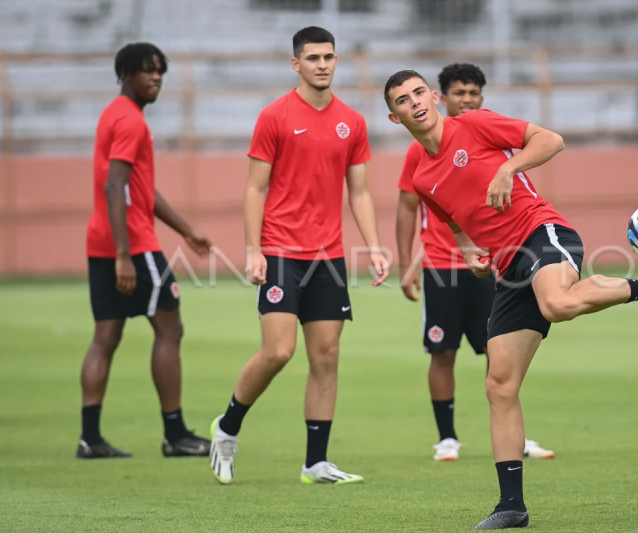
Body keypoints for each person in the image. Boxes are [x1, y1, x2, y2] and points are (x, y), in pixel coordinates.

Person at [384, 70, 638, 530]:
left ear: (433, 97)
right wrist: (472, 252)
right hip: (507, 267)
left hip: (542, 232)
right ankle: (511, 506)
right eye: (402, 100)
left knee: (556, 303)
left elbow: (550, 140)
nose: (413, 102)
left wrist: (508, 167)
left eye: (418, 92)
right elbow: (455, 221)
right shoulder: (420, 174)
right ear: (394, 117)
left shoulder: (474, 124)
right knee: (499, 385)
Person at [208, 27, 389, 486]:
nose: (323, 64)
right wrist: (253, 252)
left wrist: (373, 243)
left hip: (328, 256)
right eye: (313, 58)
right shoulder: (275, 116)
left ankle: (315, 463)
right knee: (279, 351)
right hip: (281, 251)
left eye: (329, 57)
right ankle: (227, 427)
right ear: (296, 65)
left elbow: (360, 192)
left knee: (326, 357)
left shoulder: (353, 121)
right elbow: (254, 188)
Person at [396, 63, 553, 462]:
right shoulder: (420, 147)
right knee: (442, 350)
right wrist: (405, 263)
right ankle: (447, 437)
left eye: (473, 93)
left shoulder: (482, 130)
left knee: (497, 349)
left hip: (492, 261)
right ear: (441, 97)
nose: (467, 100)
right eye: (460, 93)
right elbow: (411, 205)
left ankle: (517, 435)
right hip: (440, 265)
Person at [80, 42, 213, 459]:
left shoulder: (114, 115)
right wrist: (125, 255)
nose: (156, 77)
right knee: (170, 329)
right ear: (125, 74)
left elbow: (138, 188)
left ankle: (90, 438)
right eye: (147, 70)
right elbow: (115, 185)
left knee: (106, 335)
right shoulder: (132, 122)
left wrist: (187, 231)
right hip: (133, 246)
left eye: (161, 71)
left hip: (101, 241)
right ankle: (175, 434)